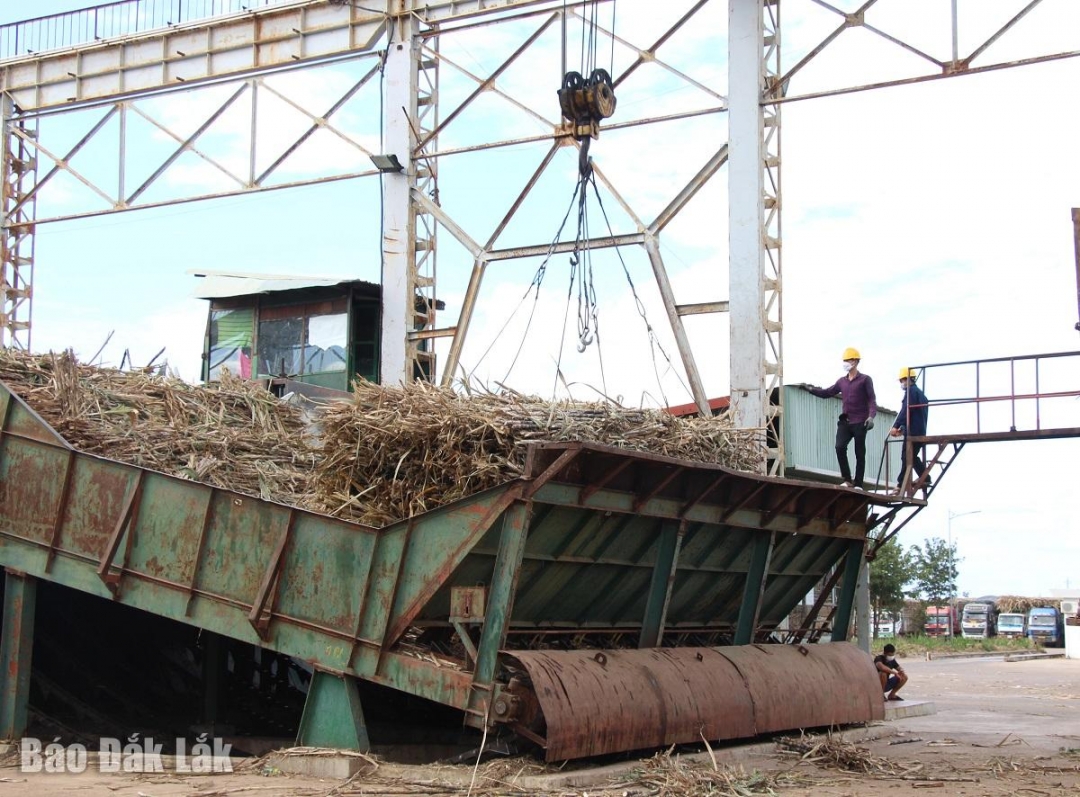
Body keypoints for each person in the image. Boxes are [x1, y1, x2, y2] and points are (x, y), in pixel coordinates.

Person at [802, 347, 878, 489]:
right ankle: (847, 479)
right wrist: (811, 390)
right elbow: (827, 392)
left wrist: (871, 417)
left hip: (860, 422)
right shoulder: (842, 381)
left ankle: (858, 484)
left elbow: (872, 400)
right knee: (839, 447)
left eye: (848, 360)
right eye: (845, 360)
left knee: (859, 453)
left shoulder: (865, 380)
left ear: (856, 361)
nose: (846, 362)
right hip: (845, 422)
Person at [890, 367, 929, 495]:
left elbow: (906, 410)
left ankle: (900, 485)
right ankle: (925, 477)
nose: (902, 383)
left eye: (902, 380)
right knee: (911, 456)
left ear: (909, 379)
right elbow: (914, 414)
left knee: (906, 457)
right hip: (919, 430)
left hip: (913, 432)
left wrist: (896, 425)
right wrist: (902, 429)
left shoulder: (911, 392)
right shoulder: (920, 394)